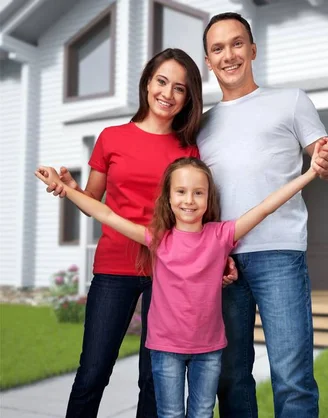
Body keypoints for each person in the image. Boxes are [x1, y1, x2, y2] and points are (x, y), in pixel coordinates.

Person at [35, 139, 328, 416]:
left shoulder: (221, 235)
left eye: (198, 192)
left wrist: (311, 172)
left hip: (209, 351)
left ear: (208, 197)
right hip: (165, 350)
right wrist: (64, 188)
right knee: (170, 414)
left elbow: (266, 206)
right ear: (169, 198)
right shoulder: (157, 239)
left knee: (201, 413)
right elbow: (107, 215)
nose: (189, 200)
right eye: (181, 192)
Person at [43, 48, 236, 417]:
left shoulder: (188, 148)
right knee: (93, 372)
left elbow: (200, 213)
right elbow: (92, 201)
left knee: (154, 380)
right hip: (115, 268)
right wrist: (68, 188)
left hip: (169, 275)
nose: (167, 93)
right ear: (147, 82)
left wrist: (222, 254)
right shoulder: (112, 138)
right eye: (161, 81)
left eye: (179, 88)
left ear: (188, 98)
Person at [198, 12, 328, 418]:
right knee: (229, 378)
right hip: (222, 261)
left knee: (292, 376)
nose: (228, 54)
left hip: (280, 254)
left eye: (236, 43)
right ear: (208, 61)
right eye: (217, 48)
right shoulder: (202, 124)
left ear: (252, 49)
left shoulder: (292, 100)